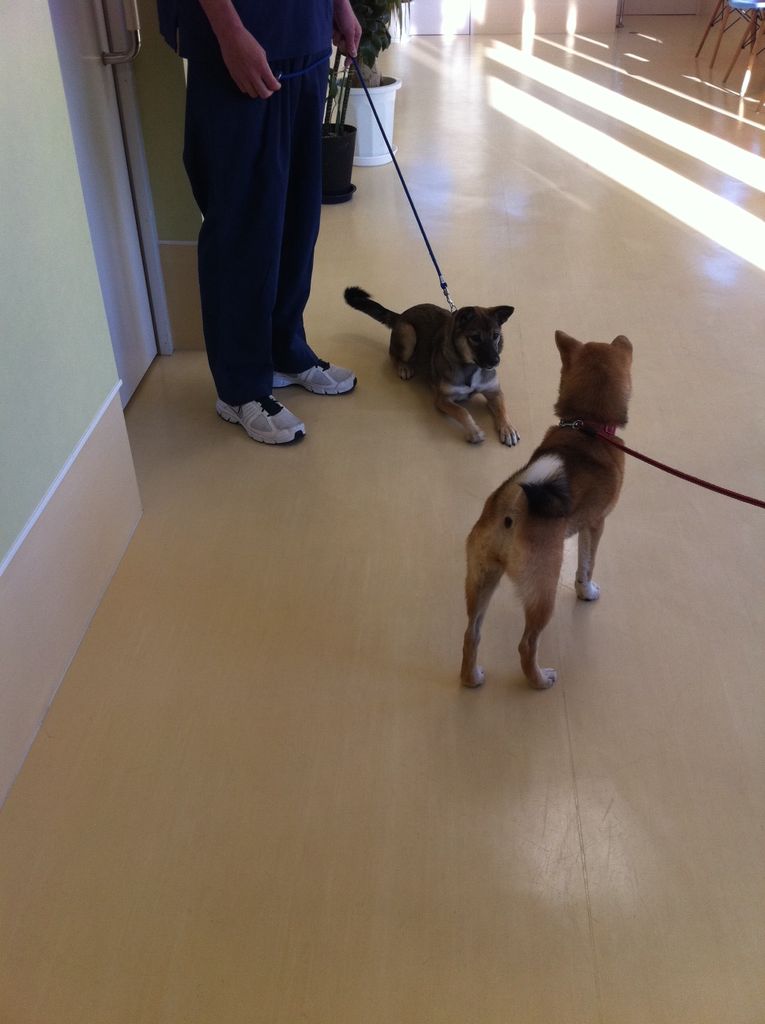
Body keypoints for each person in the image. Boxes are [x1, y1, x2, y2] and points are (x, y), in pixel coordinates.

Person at [158, 0, 362, 444]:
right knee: (243, 225)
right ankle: (240, 387)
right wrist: (229, 32)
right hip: (239, 39)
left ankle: (285, 350)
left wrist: (339, 5)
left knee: (298, 217)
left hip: (305, 36)